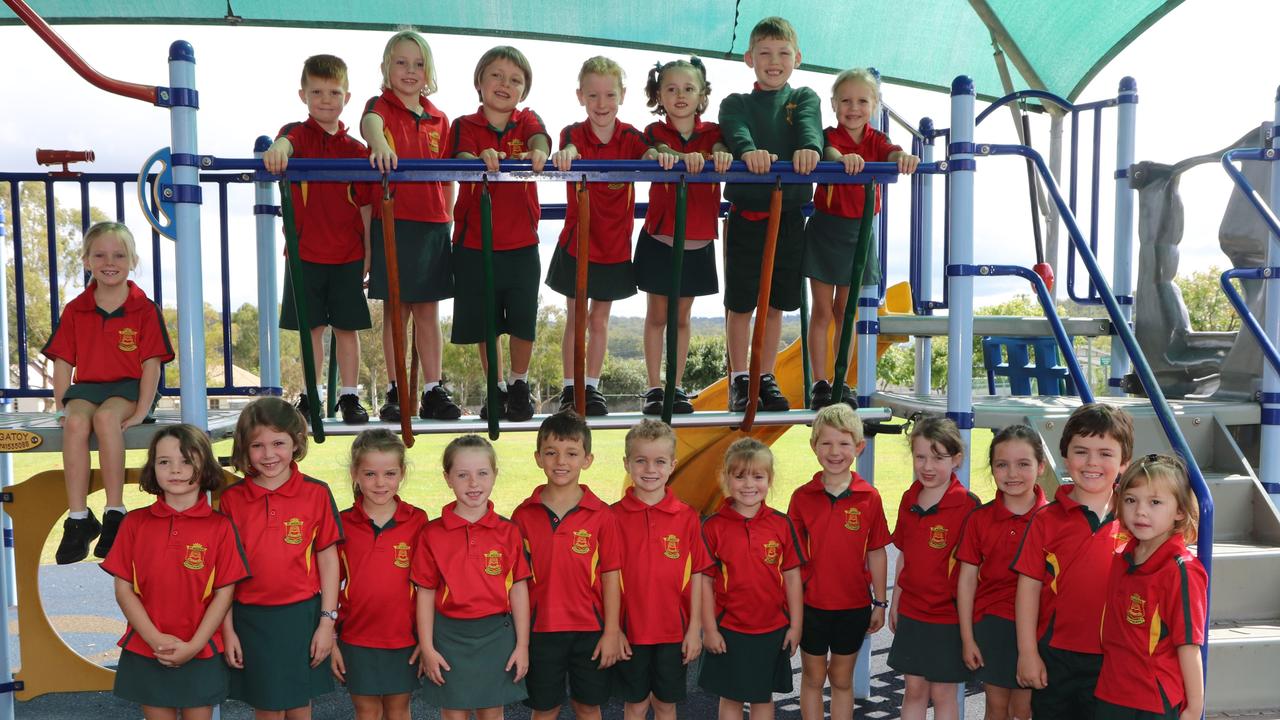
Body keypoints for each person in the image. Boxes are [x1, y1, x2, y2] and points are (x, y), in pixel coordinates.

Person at [43, 221, 174, 564]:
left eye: (118, 254)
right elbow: (62, 363)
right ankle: (79, 518)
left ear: (132, 260)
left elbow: (151, 366)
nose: (109, 261)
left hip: (129, 388)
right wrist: (61, 407)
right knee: (74, 424)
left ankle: (115, 510)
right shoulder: (77, 309)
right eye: (99, 254)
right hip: (88, 387)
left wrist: (142, 410)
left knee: (105, 419)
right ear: (86, 261)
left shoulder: (144, 309)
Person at [102, 424, 248, 719]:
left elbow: (224, 593)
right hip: (148, 646)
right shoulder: (134, 524)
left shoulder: (220, 527)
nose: (176, 470)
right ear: (152, 467)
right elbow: (123, 589)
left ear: (204, 466)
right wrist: (154, 638)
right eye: (164, 462)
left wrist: (194, 645)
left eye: (186, 461)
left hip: (200, 646)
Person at [718, 16, 823, 413]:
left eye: (782, 53)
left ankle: (765, 374)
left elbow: (810, 130)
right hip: (748, 214)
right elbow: (736, 129)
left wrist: (809, 148)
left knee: (776, 301)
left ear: (797, 57)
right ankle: (740, 378)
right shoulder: (737, 103)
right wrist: (748, 153)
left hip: (790, 213)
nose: (773, 61)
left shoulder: (804, 98)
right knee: (742, 302)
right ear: (750, 59)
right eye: (764, 53)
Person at [263, 53, 373, 425]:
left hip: (347, 254)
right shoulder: (296, 134)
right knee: (310, 329)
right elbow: (285, 145)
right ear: (303, 95)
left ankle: (349, 396)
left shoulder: (356, 150)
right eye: (317, 92)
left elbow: (367, 208)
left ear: (347, 97)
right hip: (304, 252)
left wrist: (369, 253)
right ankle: (311, 395)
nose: (326, 99)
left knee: (347, 329)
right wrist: (278, 149)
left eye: (334, 92)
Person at [219, 397, 343, 718]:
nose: (269, 454)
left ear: (296, 443)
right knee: (267, 707)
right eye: (257, 445)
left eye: (278, 443)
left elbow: (329, 561)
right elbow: (224, 572)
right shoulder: (232, 500)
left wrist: (327, 623)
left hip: (303, 616)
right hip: (251, 618)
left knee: (301, 703)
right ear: (244, 449)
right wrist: (227, 629)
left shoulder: (316, 493)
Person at [361, 29, 461, 422]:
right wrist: (380, 146)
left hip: (433, 223)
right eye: (401, 62)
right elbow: (370, 124)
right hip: (394, 220)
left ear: (428, 71)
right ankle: (395, 387)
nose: (410, 70)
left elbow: (450, 175)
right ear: (386, 68)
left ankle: (433, 388)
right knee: (395, 311)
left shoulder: (439, 118)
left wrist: (448, 217)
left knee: (428, 312)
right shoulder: (380, 107)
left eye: (418, 64)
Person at [549, 56, 658, 416]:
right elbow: (569, 150)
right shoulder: (573, 133)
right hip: (577, 242)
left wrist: (661, 155)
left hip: (614, 245)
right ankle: (570, 387)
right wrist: (565, 155)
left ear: (622, 95)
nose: (601, 104)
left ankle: (591, 386)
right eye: (593, 96)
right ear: (580, 96)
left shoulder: (629, 136)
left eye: (609, 95)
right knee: (577, 317)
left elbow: (651, 152)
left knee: (600, 319)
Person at [804, 68, 918, 409]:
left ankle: (842, 381)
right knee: (822, 310)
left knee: (847, 310)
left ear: (875, 105)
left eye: (862, 101)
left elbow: (893, 153)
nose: (854, 108)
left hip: (859, 231)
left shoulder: (876, 140)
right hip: (827, 228)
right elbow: (828, 153)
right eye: (846, 101)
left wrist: (903, 159)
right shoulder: (829, 135)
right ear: (834, 105)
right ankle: (820, 382)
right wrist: (844, 159)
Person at [1011, 404, 1135, 719]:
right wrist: (1027, 653)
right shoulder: (1045, 520)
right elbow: (1027, 589)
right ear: (1066, 458)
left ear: (1124, 463)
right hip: (1056, 658)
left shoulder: (1138, 519)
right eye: (1082, 452)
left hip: (1115, 660)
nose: (1092, 462)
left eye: (1105, 453)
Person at [449, 45, 550, 422]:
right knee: (485, 322)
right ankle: (495, 386)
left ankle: (519, 383)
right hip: (475, 243)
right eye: (496, 75)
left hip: (522, 241)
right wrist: (477, 160)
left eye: (515, 80)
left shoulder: (527, 122)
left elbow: (541, 140)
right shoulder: (465, 125)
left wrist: (538, 153)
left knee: (523, 318)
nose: (504, 84)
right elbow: (458, 158)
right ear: (479, 82)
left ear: (524, 91)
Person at [511, 410, 624, 720]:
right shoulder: (523, 515)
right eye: (551, 452)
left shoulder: (602, 515)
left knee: (588, 706)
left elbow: (611, 575)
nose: (561, 461)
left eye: (571, 453)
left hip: (590, 629)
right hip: (540, 629)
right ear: (538, 458)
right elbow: (516, 583)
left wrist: (612, 631)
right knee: (544, 708)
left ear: (586, 459)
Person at [637, 57, 733, 415]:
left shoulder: (714, 134)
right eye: (672, 89)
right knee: (657, 315)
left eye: (688, 88)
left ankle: (675, 386)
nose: (680, 95)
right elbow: (657, 152)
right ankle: (653, 387)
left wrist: (719, 156)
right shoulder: (653, 131)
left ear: (702, 94)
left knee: (682, 316)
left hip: (698, 238)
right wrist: (679, 156)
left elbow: (724, 151)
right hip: (662, 236)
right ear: (659, 94)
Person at [413, 435, 532, 718]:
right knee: (454, 713)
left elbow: (518, 590)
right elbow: (425, 594)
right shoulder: (432, 534)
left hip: (496, 637)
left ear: (494, 475)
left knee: (493, 713)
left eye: (482, 473)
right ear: (447, 478)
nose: (473, 483)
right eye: (462, 475)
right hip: (449, 637)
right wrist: (427, 647)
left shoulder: (509, 531)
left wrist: (522, 645)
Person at [786, 404, 889, 720]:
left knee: (841, 679)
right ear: (814, 447)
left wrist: (880, 603)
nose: (835, 452)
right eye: (826, 443)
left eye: (844, 443)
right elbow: (790, 558)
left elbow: (876, 551)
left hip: (853, 606)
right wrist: (791, 607)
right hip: (811, 605)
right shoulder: (802, 497)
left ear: (859, 447)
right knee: (813, 678)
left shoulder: (869, 497)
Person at [611, 419, 713, 719]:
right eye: (641, 461)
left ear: (672, 465)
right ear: (627, 463)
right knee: (636, 705)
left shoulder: (687, 517)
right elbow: (607, 578)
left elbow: (697, 576)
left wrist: (695, 630)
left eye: (659, 461)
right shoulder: (612, 517)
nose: (650, 469)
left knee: (666, 705)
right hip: (629, 631)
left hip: (673, 631)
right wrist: (613, 628)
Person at [698, 438, 804, 720]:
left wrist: (796, 626)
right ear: (726, 478)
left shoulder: (781, 524)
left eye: (758, 476)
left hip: (772, 628)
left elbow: (792, 577)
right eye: (740, 476)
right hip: (729, 628)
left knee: (762, 696)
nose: (749, 484)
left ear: (770, 480)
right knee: (730, 696)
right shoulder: (713, 527)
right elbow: (704, 583)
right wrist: (709, 629)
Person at [1096, 454, 1207, 720]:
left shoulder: (1181, 569)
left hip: (1152, 702)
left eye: (1155, 502)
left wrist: (1194, 707)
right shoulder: (1122, 557)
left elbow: (1189, 644)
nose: (1140, 511)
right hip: (1110, 692)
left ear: (1180, 510)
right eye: (1131, 500)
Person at [888, 415, 980, 720]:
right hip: (913, 611)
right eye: (920, 456)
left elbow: (973, 570)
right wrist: (895, 601)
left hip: (948, 616)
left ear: (956, 460)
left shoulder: (968, 506)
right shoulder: (908, 498)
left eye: (938, 458)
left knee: (943, 693)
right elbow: (904, 556)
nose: (927, 466)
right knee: (914, 689)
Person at [954, 425, 1049, 720]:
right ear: (992, 469)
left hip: (1039, 626)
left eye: (1023, 464)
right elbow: (967, 581)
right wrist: (967, 638)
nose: (1012, 474)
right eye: (1002, 465)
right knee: (997, 707)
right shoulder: (980, 519)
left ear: (1041, 467)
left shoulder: (1054, 519)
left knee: (1024, 709)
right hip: (993, 624)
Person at [331, 429, 427, 720]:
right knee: (367, 712)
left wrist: (426, 639)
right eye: (370, 474)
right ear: (355, 474)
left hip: (404, 638)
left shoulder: (418, 520)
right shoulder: (341, 523)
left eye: (389, 473)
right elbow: (330, 585)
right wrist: (333, 639)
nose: (380, 483)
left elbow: (427, 586)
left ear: (402, 473)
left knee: (399, 711)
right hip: (356, 638)